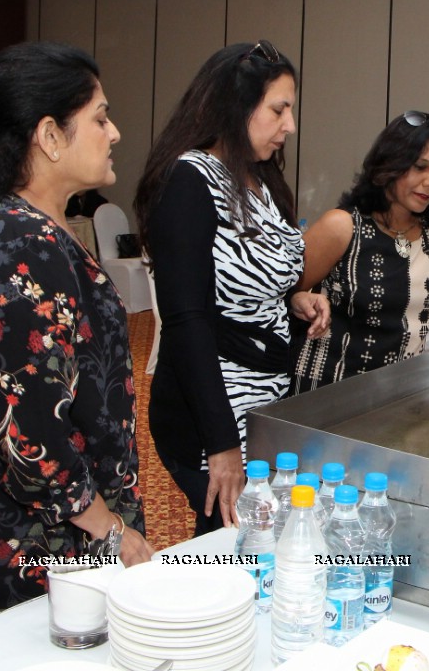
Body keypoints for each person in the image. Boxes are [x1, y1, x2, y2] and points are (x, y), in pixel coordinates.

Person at [0, 42, 154, 612]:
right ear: (49, 136)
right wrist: (108, 528)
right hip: (44, 543)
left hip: (54, 529)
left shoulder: (33, 227)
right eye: (99, 117)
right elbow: (27, 427)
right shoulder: (18, 243)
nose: (114, 132)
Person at [133, 40, 329, 536]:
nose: (291, 125)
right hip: (212, 408)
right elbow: (186, 318)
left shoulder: (259, 180)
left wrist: (291, 299)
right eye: (279, 110)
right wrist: (220, 444)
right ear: (236, 107)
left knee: (259, 541)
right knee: (229, 543)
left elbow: (242, 280)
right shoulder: (190, 180)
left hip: (265, 397)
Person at [290, 112, 429, 392]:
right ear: (389, 166)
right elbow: (275, 296)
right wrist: (298, 297)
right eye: (421, 167)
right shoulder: (342, 227)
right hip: (326, 395)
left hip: (400, 396)